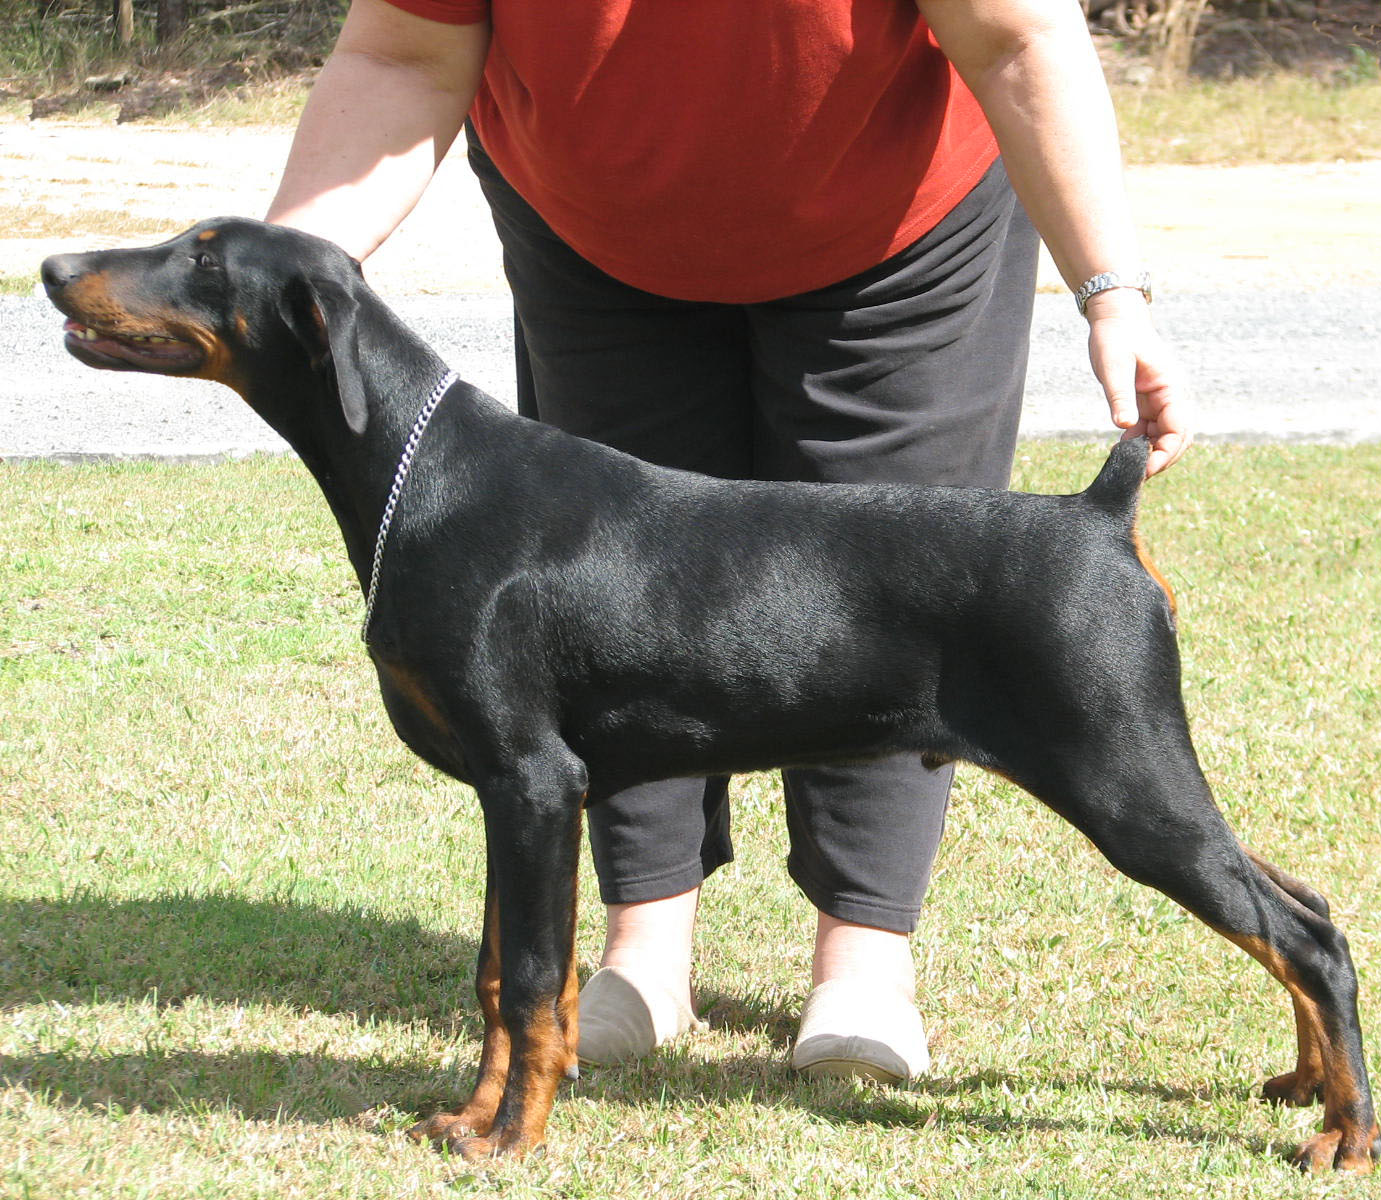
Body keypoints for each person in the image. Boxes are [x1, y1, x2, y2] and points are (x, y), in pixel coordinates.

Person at [267, 0, 1191, 1084]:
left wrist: (1110, 294)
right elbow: (400, 50)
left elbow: (1019, 35)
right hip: (594, 227)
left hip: (891, 215)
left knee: (894, 591)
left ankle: (863, 967)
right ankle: (642, 957)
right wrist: (275, 278)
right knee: (604, 603)